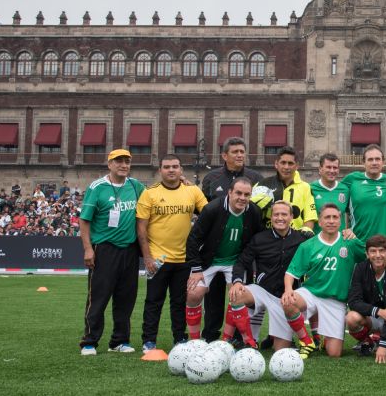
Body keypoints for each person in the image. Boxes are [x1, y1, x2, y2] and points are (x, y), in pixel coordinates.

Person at [226, 200, 342, 350]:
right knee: (237, 294)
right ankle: (246, 341)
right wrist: (237, 282)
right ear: (271, 217)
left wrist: (345, 233)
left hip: (286, 299)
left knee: (281, 349)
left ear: (291, 217)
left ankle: (307, 339)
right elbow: (241, 262)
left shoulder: (303, 239)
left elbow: (325, 240)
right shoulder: (259, 238)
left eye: (284, 214)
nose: (280, 218)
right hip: (263, 291)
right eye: (276, 214)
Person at [136, 154, 208, 352]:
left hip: (184, 258)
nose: (171, 170)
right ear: (160, 170)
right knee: (153, 301)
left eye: (175, 166)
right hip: (157, 259)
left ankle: (179, 338)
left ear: (181, 170)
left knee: (179, 302)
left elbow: (209, 215)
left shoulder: (192, 191)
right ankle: (149, 341)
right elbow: (141, 229)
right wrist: (148, 257)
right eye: (166, 166)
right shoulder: (149, 193)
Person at [79, 149, 146, 356]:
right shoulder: (97, 187)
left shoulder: (136, 186)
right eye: (118, 161)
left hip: (130, 249)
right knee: (98, 298)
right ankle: (89, 342)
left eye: (127, 161)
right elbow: (84, 220)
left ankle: (119, 340)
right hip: (104, 249)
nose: (123, 165)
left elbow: (157, 196)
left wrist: (183, 181)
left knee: (126, 298)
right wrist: (88, 249)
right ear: (109, 164)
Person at [184, 177, 263, 347]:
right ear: (229, 192)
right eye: (239, 193)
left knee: (237, 295)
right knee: (193, 294)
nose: (242, 198)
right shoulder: (212, 209)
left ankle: (225, 342)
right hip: (208, 261)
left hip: (235, 262)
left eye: (247, 194)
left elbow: (255, 242)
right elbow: (193, 240)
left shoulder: (254, 212)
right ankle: (195, 342)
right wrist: (196, 269)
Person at [282, 204, 367, 359]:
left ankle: (323, 337)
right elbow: (290, 273)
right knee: (289, 301)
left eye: (335, 217)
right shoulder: (308, 246)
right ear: (320, 222)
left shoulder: (350, 242)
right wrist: (288, 289)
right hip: (311, 293)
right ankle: (306, 341)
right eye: (327, 217)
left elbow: (372, 256)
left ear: (340, 221)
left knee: (334, 353)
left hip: (336, 300)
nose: (331, 221)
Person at [199, 137, 263, 342]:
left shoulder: (256, 177)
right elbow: (203, 210)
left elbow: (259, 213)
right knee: (214, 298)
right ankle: (210, 334)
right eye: (235, 152)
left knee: (240, 296)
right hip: (215, 252)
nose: (239, 155)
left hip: (242, 251)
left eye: (242, 151)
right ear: (224, 155)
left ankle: (238, 336)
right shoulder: (211, 178)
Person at [346, 235, 386, 363]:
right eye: (373, 251)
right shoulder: (360, 268)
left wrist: (384, 345)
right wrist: (378, 311)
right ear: (367, 254)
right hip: (370, 316)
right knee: (351, 317)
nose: (378, 255)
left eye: (381, 251)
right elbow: (353, 301)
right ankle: (367, 342)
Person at [251, 146, 317, 230]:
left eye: (290, 163)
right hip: (267, 237)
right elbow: (251, 212)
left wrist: (303, 236)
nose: (286, 167)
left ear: (297, 166)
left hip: (294, 239)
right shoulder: (262, 184)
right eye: (283, 162)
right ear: (276, 164)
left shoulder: (305, 187)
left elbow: (310, 217)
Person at [341, 144, 386, 240]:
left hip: (384, 244)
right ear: (364, 162)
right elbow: (338, 205)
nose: (374, 162)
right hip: (357, 241)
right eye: (370, 159)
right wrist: (345, 229)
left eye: (377, 159)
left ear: (383, 162)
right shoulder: (351, 179)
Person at [310, 153, 350, 234]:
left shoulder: (345, 190)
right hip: (316, 241)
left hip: (339, 243)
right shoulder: (310, 188)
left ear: (338, 170)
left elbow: (353, 214)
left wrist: (350, 229)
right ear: (320, 169)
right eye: (328, 167)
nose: (332, 171)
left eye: (335, 168)